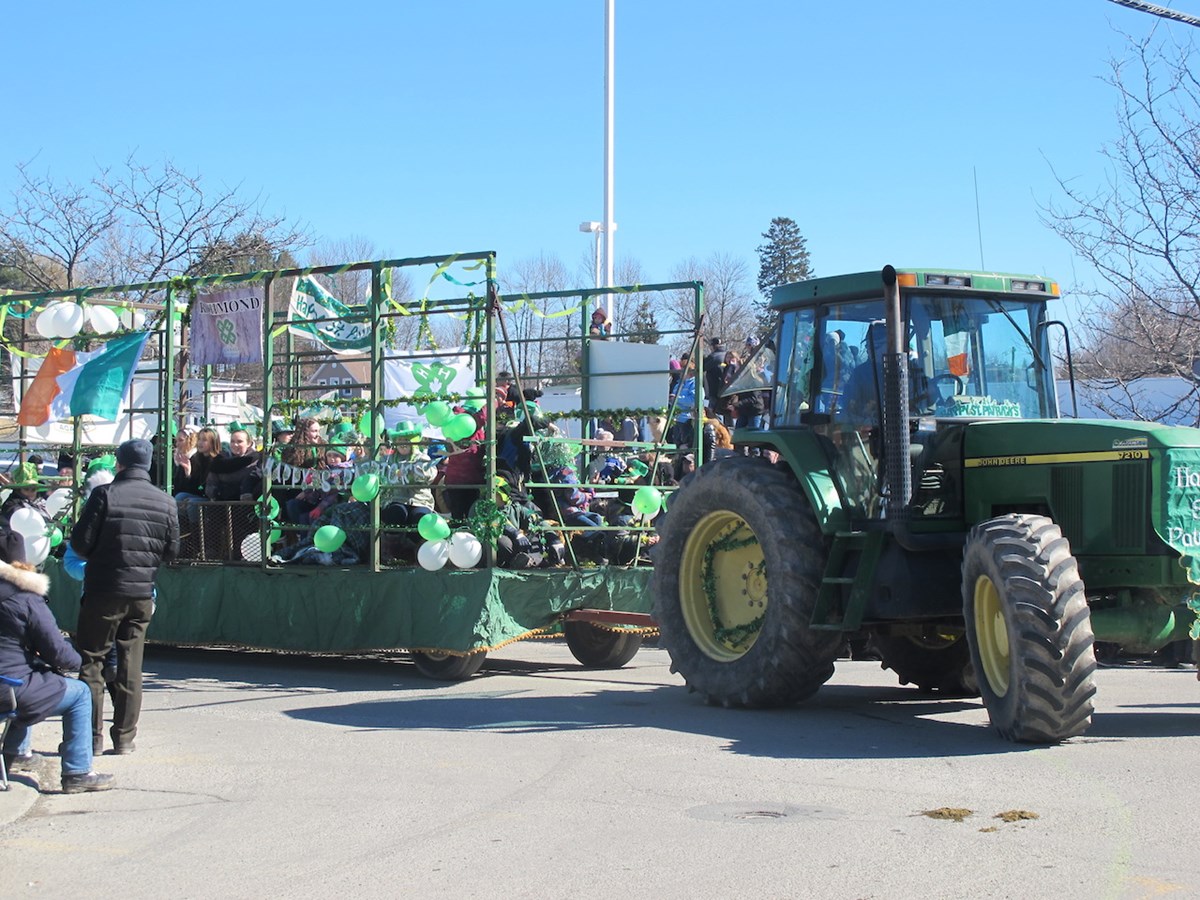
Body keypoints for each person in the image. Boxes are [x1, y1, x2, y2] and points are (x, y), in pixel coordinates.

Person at [70, 438, 179, 756]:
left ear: (120, 463)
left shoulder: (104, 495)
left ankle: (91, 737)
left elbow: (80, 544)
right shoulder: (166, 501)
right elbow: (172, 552)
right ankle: (125, 738)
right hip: (142, 592)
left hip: (103, 590)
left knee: (92, 661)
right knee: (131, 664)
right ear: (146, 466)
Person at [0, 526, 114, 793]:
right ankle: (78, 772)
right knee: (79, 693)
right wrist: (80, 661)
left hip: (10, 682)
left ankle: (16, 753)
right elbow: (57, 651)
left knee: (31, 675)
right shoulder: (24, 598)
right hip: (8, 688)